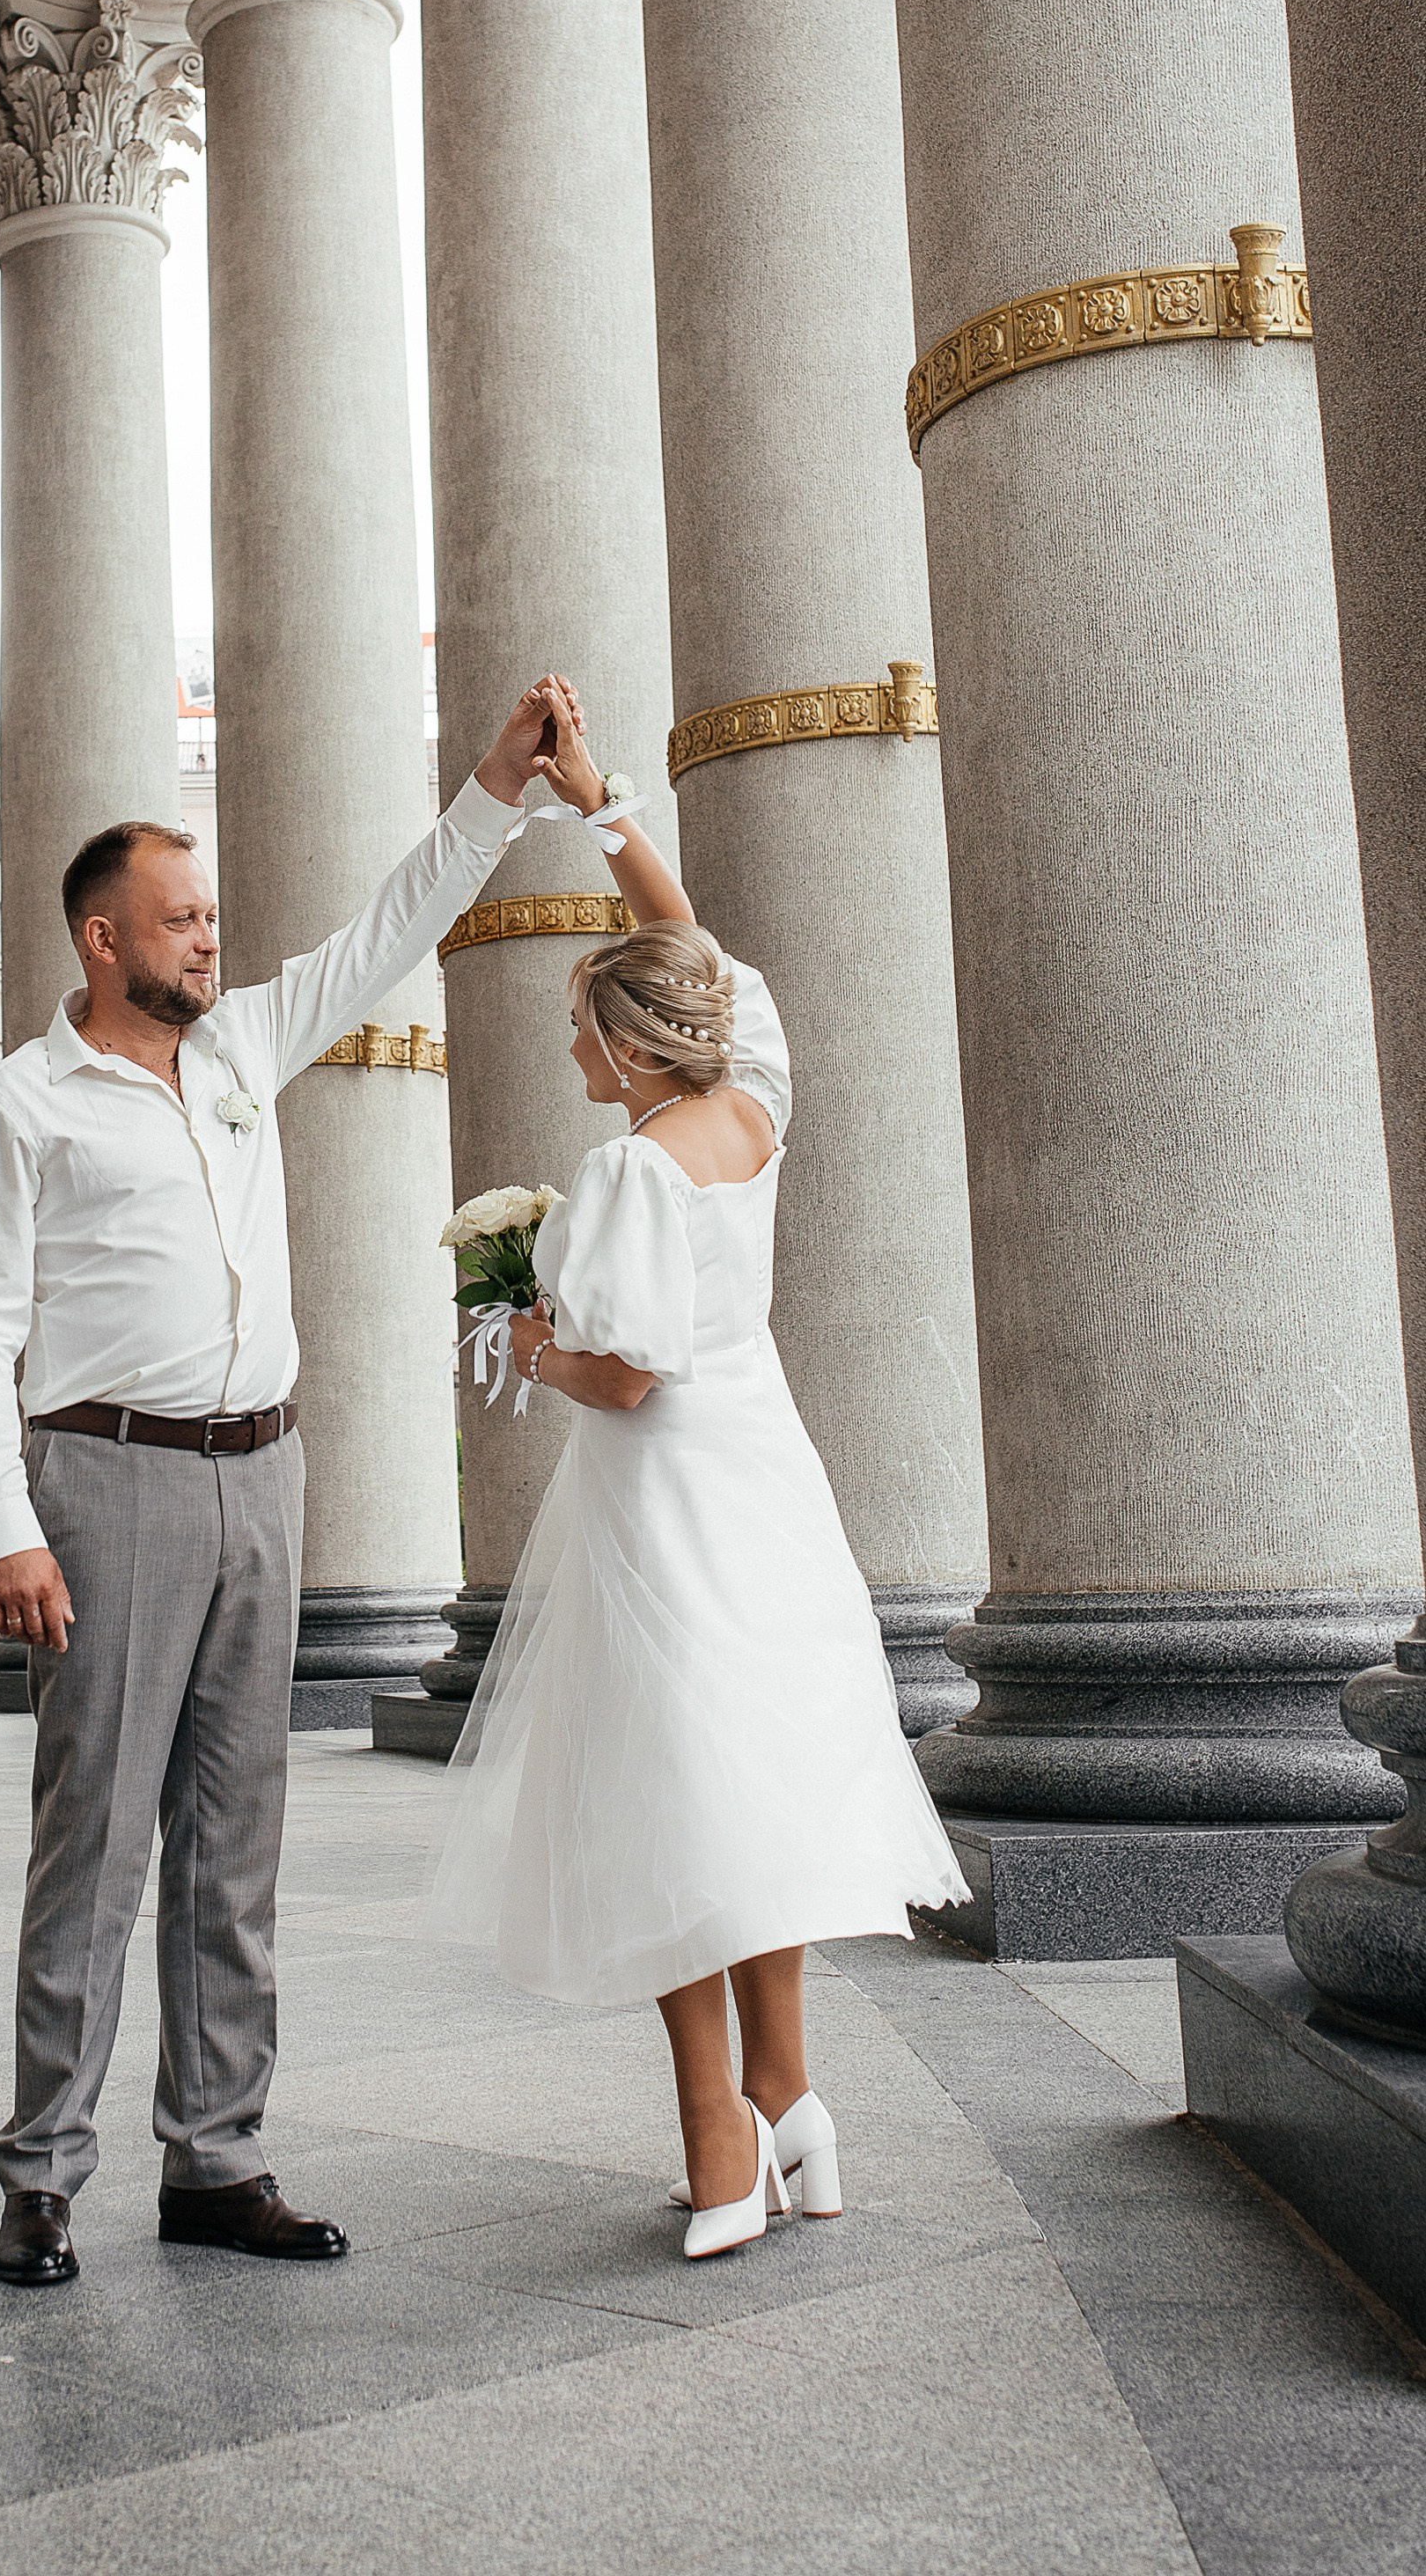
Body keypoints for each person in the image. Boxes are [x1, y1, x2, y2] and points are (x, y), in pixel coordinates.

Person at [0, 676, 572, 2287]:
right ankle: (42, 2176)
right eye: (181, 919)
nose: (209, 941)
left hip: (260, 1477)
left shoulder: (242, 1048)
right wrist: (1, 1522)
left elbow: (385, 929)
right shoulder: (16, 1103)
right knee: (93, 1839)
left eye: (212, 918)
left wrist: (492, 791)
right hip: (106, 1481)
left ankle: (216, 2160)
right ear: (102, 938)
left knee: (235, 1836)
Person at [427, 683, 968, 2259]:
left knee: (658, 1807)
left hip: (658, 1508)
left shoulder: (623, 1174)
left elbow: (625, 1373)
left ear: (621, 1045)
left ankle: (715, 2145)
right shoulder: (755, 1103)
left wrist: (525, 1340)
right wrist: (603, 806)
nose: (571, 1050)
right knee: (749, 1799)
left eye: (580, 1028)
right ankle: (792, 2099)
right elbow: (700, 953)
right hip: (768, 1485)